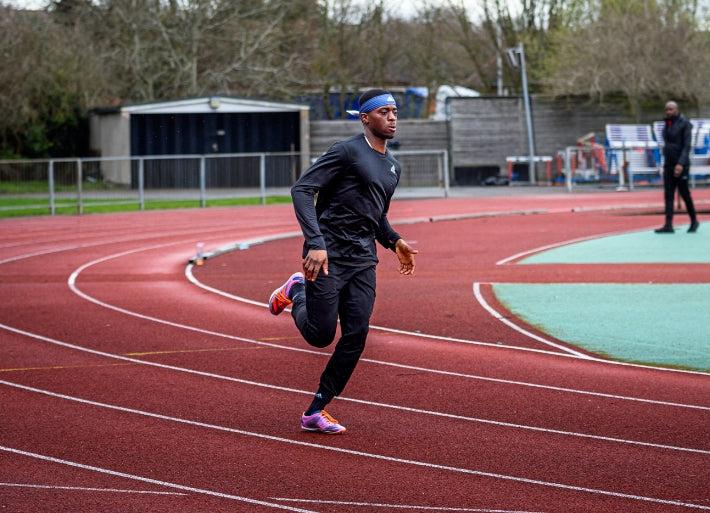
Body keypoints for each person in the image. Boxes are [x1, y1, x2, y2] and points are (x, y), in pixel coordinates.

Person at [268, 88, 418, 434]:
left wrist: (394, 241)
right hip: (328, 256)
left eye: (395, 111)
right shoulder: (347, 152)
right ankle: (296, 290)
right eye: (384, 112)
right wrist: (315, 243)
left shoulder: (392, 167)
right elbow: (302, 190)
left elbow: (375, 215)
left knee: (356, 334)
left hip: (363, 260)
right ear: (365, 118)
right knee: (321, 336)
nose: (392, 118)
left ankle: (316, 410)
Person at [655, 101, 699, 233]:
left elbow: (686, 146)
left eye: (671, 109)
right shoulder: (667, 124)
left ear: (677, 110)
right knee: (668, 194)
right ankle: (668, 224)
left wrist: (680, 164)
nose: (668, 112)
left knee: (685, 193)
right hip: (668, 163)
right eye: (666, 110)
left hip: (681, 164)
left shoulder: (684, 124)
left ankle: (694, 220)